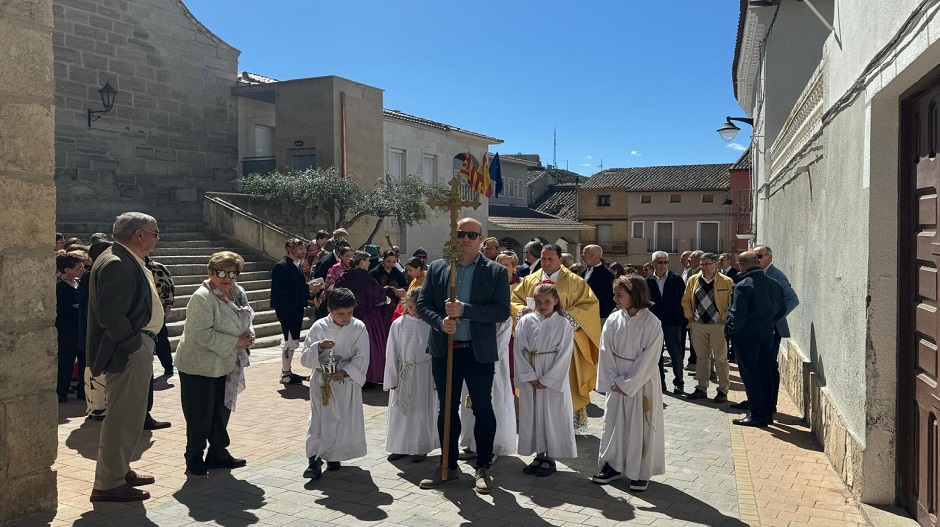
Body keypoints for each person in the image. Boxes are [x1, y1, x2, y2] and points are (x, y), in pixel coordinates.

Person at [416, 218, 510, 494]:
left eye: (471, 234)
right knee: (446, 409)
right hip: (445, 351)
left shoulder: (494, 272)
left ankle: (483, 467)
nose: (465, 238)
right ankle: (448, 466)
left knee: (482, 408)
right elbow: (423, 304)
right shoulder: (437, 267)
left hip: (477, 351)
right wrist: (439, 321)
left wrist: (465, 310)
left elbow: (501, 311)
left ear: (481, 238)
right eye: (460, 233)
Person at [87, 212, 163, 503]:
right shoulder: (117, 262)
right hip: (128, 349)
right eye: (155, 233)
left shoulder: (124, 257)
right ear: (139, 234)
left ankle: (119, 470)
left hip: (135, 345)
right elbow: (111, 315)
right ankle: (109, 483)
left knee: (130, 416)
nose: (157, 238)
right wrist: (133, 344)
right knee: (123, 417)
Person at [175, 252, 255, 475]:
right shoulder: (202, 297)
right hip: (200, 365)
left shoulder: (238, 293)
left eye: (232, 273)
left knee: (221, 410)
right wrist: (235, 341)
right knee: (200, 414)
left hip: (226, 363)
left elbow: (247, 319)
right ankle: (194, 457)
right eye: (221, 272)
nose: (227, 278)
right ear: (210, 273)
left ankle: (218, 452)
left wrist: (248, 335)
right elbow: (200, 334)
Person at [510, 244, 601, 431]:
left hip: (565, 344)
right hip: (535, 344)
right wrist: (523, 312)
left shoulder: (575, 282)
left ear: (560, 260)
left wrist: (563, 317)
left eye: (551, 259)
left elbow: (589, 305)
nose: (547, 262)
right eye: (543, 258)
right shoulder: (529, 280)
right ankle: (539, 427)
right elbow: (515, 301)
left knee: (566, 382)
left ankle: (566, 426)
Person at [591, 275, 665, 491]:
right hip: (615, 380)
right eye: (615, 294)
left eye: (619, 295)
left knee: (641, 426)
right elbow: (605, 351)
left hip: (642, 383)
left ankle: (641, 471)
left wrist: (627, 383)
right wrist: (613, 381)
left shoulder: (652, 323)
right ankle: (612, 465)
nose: (615, 298)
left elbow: (650, 358)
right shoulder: (614, 320)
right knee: (614, 425)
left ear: (635, 295)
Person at [300, 288, 370, 480]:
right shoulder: (319, 327)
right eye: (341, 314)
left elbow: (363, 356)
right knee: (319, 419)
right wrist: (320, 347)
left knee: (341, 419)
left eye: (349, 313)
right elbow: (305, 358)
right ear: (329, 309)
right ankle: (313, 460)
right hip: (323, 381)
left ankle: (334, 455)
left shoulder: (358, 327)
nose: (346, 317)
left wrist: (346, 372)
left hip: (345, 382)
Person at [514, 282, 577, 477]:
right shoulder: (526, 321)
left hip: (551, 374)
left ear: (556, 301)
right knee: (532, 415)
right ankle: (538, 455)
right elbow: (519, 349)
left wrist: (548, 379)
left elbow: (565, 354)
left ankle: (550, 457)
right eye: (539, 301)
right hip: (531, 374)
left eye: (547, 301)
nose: (542, 305)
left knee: (552, 416)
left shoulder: (563, 324)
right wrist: (529, 376)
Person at [725, 251, 787, 427]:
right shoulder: (774, 284)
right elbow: (782, 309)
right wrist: (769, 322)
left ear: (741, 266)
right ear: (757, 263)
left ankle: (757, 414)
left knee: (751, 375)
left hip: (746, 336)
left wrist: (730, 332)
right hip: (766, 334)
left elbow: (737, 316)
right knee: (765, 373)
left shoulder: (743, 285)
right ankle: (766, 412)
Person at [384, 288, 438, 462]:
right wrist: (392, 378)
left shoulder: (432, 324)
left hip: (425, 374)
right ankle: (400, 446)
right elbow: (391, 352)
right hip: (404, 374)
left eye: (418, 307)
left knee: (421, 411)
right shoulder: (398, 324)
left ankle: (420, 447)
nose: (415, 311)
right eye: (411, 307)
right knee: (401, 411)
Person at [752, 245, 799, 415]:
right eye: (754, 256)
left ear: (769, 258)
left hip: (771, 331)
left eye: (759, 256)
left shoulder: (776, 276)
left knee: (769, 367)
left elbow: (793, 299)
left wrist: (773, 319)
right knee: (757, 366)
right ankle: (757, 400)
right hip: (758, 330)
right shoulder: (757, 274)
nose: (756, 259)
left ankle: (770, 404)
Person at [681, 253, 733, 403]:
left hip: (718, 325)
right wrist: (690, 317)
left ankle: (723, 390)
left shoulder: (726, 281)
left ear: (716, 264)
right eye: (702, 264)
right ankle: (701, 387)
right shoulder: (693, 280)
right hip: (698, 324)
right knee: (702, 358)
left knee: (721, 359)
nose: (703, 267)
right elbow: (685, 300)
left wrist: (723, 319)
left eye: (707, 264)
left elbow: (732, 302)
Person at [335, 251, 391, 385]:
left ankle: (348, 372)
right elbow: (377, 295)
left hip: (347, 317)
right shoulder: (365, 277)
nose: (370, 263)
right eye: (367, 260)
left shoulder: (345, 276)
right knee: (369, 347)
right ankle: (369, 376)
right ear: (361, 263)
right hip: (368, 318)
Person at [271, 238, 316, 385]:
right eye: (300, 249)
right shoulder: (281, 266)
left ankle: (287, 371)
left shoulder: (296, 265)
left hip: (295, 306)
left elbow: (297, 286)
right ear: (291, 249)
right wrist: (306, 288)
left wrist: (309, 290)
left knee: (293, 340)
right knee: (290, 340)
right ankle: (285, 373)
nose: (303, 252)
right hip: (287, 308)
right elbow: (283, 289)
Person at [646, 251, 686, 396]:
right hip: (654, 323)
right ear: (653, 263)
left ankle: (679, 383)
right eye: (659, 262)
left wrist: (683, 319)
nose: (663, 265)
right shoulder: (647, 281)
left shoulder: (677, 279)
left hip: (673, 322)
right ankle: (660, 383)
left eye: (665, 262)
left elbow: (683, 300)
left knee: (676, 353)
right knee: (657, 354)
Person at [80, 241, 111, 421]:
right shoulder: (92, 274)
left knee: (92, 366)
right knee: (95, 367)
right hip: (92, 326)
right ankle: (97, 406)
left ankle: (95, 406)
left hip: (90, 325)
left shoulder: (92, 273)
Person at [56, 253, 86, 403]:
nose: (82, 268)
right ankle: (61, 391)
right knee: (66, 361)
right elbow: (61, 310)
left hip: (80, 327)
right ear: (67, 270)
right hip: (67, 330)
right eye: (78, 267)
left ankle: (83, 390)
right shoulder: (60, 287)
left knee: (84, 359)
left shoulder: (78, 282)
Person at [146, 257, 175, 378]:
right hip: (140, 310)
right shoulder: (131, 267)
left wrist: (168, 305)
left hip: (158, 309)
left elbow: (169, 286)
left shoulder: (158, 267)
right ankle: (148, 371)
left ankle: (168, 366)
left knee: (161, 338)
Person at [580, 245, 616, 321]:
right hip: (583, 315)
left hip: (600, 316)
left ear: (592, 255)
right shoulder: (582, 272)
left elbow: (612, 296)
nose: (581, 255)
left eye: (583, 253)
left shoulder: (606, 274)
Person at [370, 249, 408, 318]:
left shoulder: (398, 273)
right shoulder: (374, 273)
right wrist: (382, 290)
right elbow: (370, 289)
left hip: (396, 306)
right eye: (389, 261)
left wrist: (398, 290)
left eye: (394, 262)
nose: (391, 264)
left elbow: (405, 287)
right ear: (383, 260)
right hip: (380, 306)